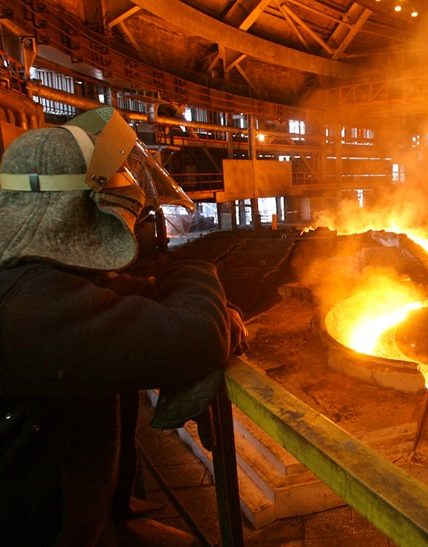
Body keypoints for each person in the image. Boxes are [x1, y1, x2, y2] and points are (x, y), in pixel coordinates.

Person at [0, 107, 245, 545]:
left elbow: (124, 296)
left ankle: (120, 514)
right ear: (73, 208)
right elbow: (197, 336)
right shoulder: (28, 310)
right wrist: (196, 271)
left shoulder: (30, 279)